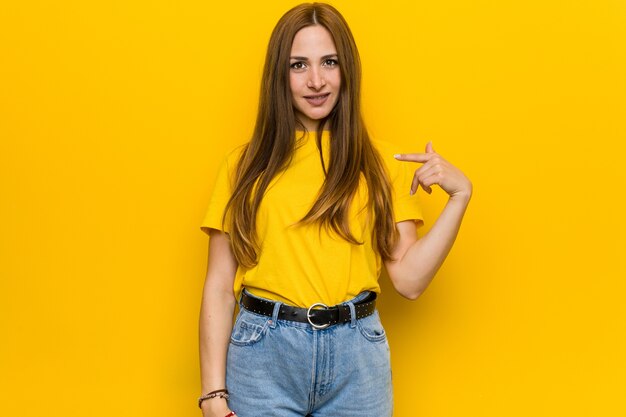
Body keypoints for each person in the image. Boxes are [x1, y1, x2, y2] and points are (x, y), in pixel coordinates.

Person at [198, 3, 472, 417]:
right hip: (262, 355)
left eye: (329, 62)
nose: (316, 81)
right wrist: (212, 394)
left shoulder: (382, 165)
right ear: (279, 75)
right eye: (298, 65)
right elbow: (219, 286)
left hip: (357, 359)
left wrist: (460, 198)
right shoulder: (244, 165)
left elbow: (410, 281)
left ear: (347, 71)